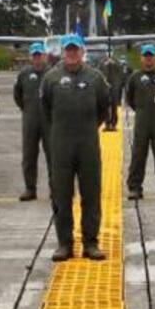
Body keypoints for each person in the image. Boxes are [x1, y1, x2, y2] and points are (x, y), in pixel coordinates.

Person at [41, 34, 111, 262]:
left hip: (88, 144)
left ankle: (90, 243)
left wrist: (88, 129)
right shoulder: (51, 78)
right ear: (62, 52)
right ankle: (64, 244)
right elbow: (46, 110)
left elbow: (103, 109)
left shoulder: (96, 78)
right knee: (61, 195)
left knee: (91, 193)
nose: (72, 53)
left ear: (82, 52)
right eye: (68, 50)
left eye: (75, 49)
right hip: (61, 144)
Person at [125, 43, 155, 200]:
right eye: (146, 56)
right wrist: (141, 111)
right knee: (138, 155)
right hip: (142, 122)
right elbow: (129, 98)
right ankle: (135, 187)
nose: (148, 60)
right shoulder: (135, 78)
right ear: (141, 58)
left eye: (151, 56)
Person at [13, 43, 51, 202]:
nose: (37, 59)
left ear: (45, 56)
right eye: (34, 55)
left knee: (53, 155)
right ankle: (30, 188)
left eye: (39, 55)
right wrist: (27, 109)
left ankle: (55, 188)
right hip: (30, 119)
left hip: (49, 120)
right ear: (30, 57)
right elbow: (18, 95)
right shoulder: (24, 74)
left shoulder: (52, 74)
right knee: (29, 155)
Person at [100, 52, 125, 131]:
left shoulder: (117, 62)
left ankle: (113, 124)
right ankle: (107, 124)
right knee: (105, 105)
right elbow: (99, 73)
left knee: (114, 106)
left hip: (115, 86)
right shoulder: (102, 62)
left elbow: (121, 73)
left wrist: (114, 64)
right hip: (105, 86)